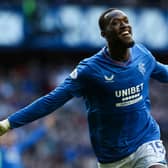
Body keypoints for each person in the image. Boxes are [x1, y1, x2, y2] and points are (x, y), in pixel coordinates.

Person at [0, 8, 167, 168]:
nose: (124, 25)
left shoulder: (142, 55)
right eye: (116, 23)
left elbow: (164, 72)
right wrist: (9, 123)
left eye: (126, 21)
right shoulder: (89, 70)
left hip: (146, 141)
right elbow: (51, 101)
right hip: (112, 157)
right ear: (104, 34)